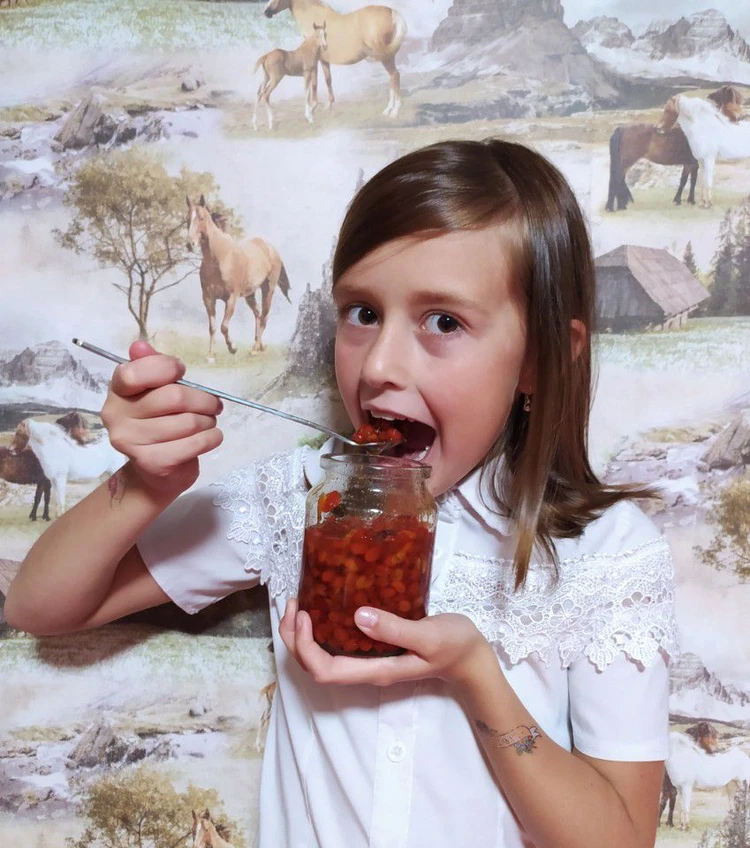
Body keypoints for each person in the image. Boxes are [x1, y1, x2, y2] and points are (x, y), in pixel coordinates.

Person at [6, 139, 678, 848]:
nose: (379, 364)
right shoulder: (292, 498)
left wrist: (475, 675)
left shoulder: (609, 556)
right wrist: (145, 484)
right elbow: (37, 606)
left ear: (540, 359)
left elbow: (620, 839)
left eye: (444, 322)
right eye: (362, 313)